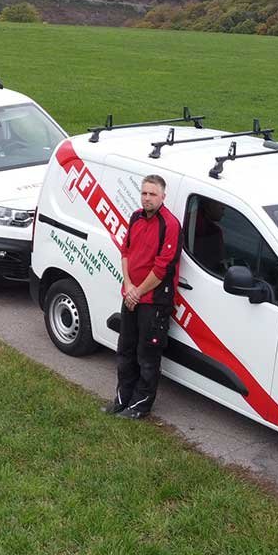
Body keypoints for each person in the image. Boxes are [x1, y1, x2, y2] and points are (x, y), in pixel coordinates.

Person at [105, 174, 182, 420]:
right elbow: (125, 250)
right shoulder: (136, 217)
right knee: (125, 350)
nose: (147, 198)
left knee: (147, 356)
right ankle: (122, 399)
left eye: (152, 194)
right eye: (144, 193)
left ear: (163, 196)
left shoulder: (170, 225)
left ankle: (140, 405)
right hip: (131, 297)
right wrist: (128, 286)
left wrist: (137, 292)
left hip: (154, 303)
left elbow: (163, 268)